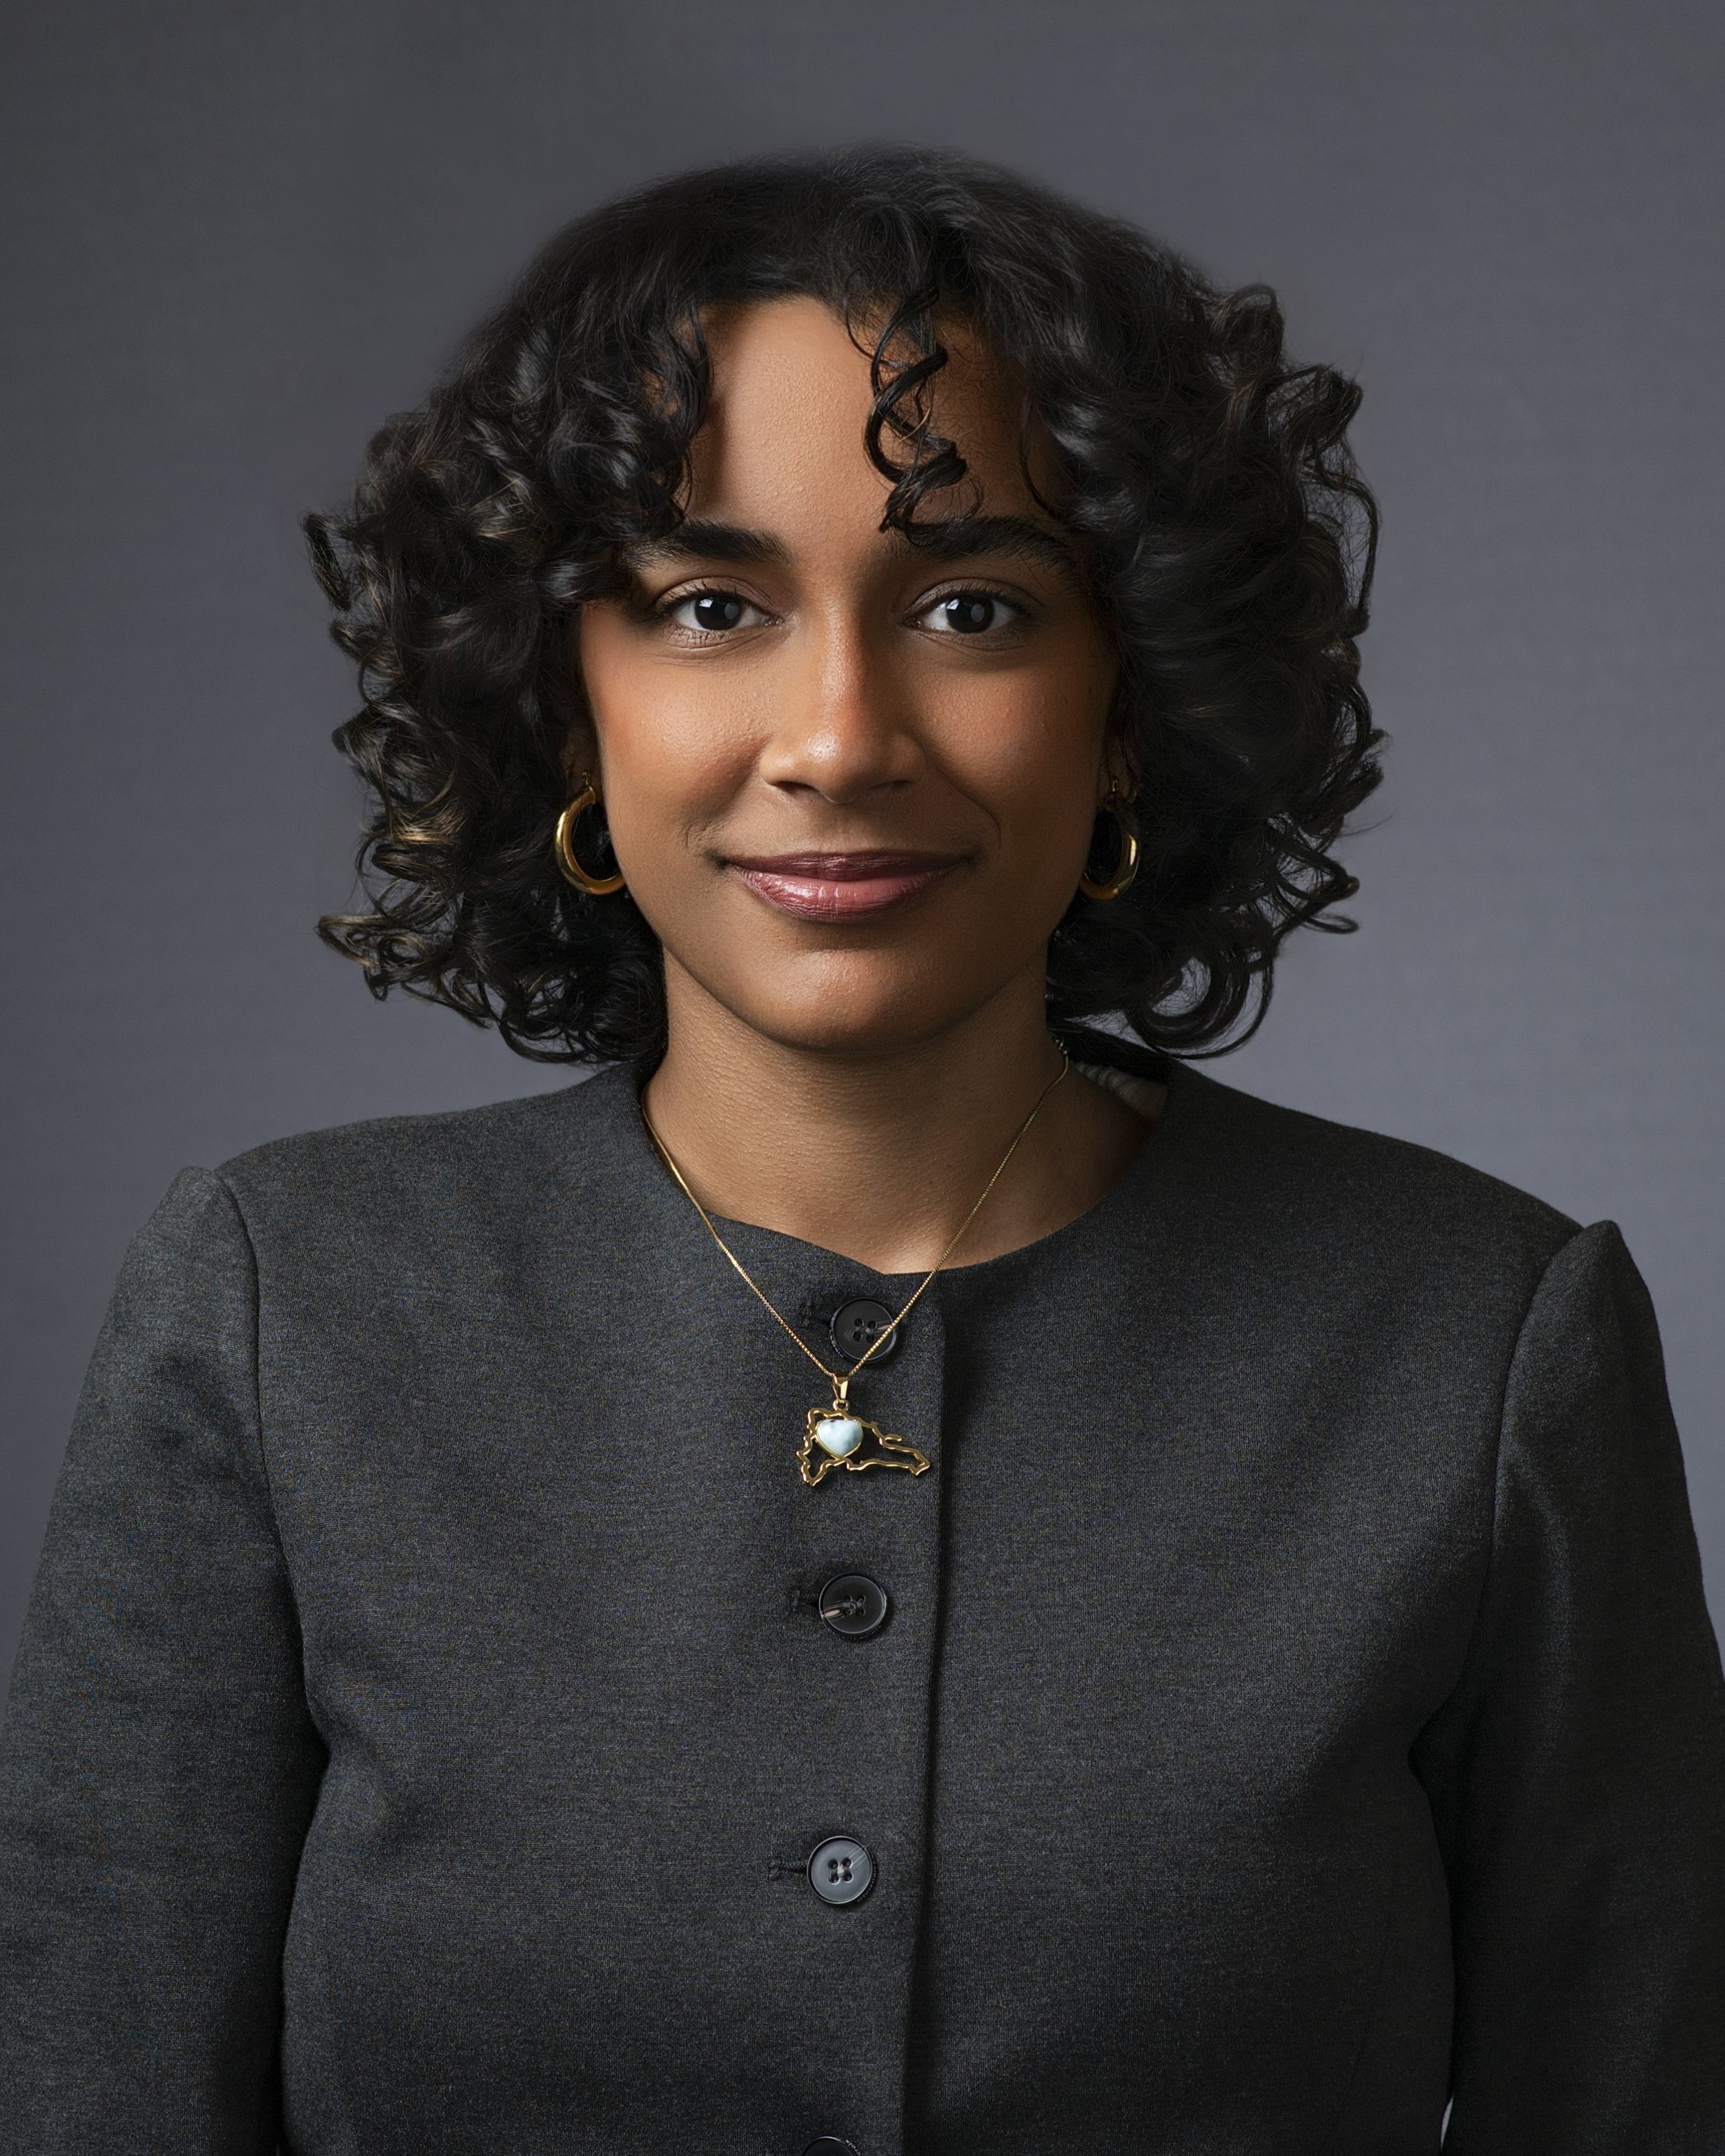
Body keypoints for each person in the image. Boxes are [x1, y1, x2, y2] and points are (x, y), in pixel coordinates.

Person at [1, 146, 1721, 2156]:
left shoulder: (1478, 1344)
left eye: (973, 605)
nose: (835, 733)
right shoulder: (280, 1305)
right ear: (571, 710)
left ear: (1130, 709)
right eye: (708, 604)